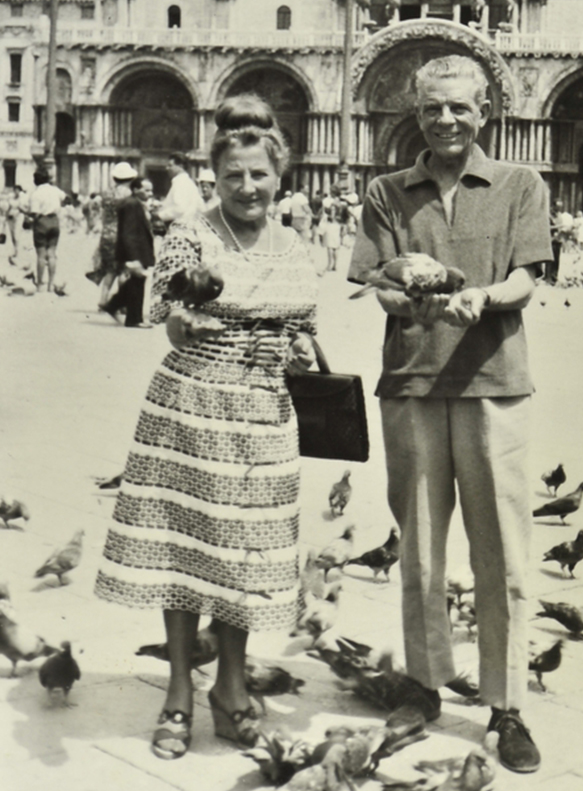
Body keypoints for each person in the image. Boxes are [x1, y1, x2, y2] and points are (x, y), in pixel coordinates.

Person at [95, 93, 319, 761]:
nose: (247, 187)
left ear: (281, 177)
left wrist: (301, 348)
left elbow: (304, 327)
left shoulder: (297, 245)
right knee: (185, 553)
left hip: (266, 418)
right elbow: (166, 310)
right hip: (192, 407)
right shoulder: (193, 234)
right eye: (233, 177)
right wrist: (183, 322)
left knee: (243, 559)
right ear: (214, 179)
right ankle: (176, 694)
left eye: (259, 175)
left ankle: (228, 686)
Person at [348, 55, 552, 774]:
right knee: (421, 546)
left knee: (502, 549)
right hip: (411, 381)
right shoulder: (386, 191)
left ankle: (506, 703)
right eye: (432, 108)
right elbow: (378, 279)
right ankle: (426, 681)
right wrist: (404, 291)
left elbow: (528, 276)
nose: (445, 120)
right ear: (416, 112)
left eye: (460, 107)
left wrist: (485, 297)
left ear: (485, 110)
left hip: (495, 381)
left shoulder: (520, 184)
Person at [100, 177, 155, 328]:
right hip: (135, 251)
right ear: (136, 189)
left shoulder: (133, 203)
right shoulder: (132, 204)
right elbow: (128, 232)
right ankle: (134, 319)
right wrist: (133, 257)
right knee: (137, 284)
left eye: (151, 190)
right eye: (146, 190)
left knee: (135, 282)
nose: (150, 193)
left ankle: (113, 305)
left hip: (136, 250)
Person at [86, 161, 137, 307]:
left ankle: (103, 299)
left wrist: (96, 222)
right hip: (124, 234)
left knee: (111, 269)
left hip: (107, 234)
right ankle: (122, 303)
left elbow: (93, 206)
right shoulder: (130, 194)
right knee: (124, 270)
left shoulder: (106, 193)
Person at [27, 168, 67, 293]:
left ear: (35, 181)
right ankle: (51, 284)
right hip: (54, 221)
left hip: (42, 222)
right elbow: (65, 198)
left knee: (41, 254)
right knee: (52, 253)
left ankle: (40, 285)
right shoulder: (55, 190)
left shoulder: (35, 194)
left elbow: (35, 213)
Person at [157, 151, 204, 225]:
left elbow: (179, 209)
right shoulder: (186, 182)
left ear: (180, 166)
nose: (167, 168)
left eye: (170, 165)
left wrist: (159, 215)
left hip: (181, 227)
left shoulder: (181, 183)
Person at [548, 199, 571, 284]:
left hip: (558, 239)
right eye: (557, 207)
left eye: (560, 208)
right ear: (553, 206)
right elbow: (547, 227)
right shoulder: (548, 215)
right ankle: (548, 278)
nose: (559, 209)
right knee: (550, 259)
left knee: (557, 259)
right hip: (550, 239)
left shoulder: (560, 215)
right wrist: (559, 226)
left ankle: (554, 277)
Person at [6, 184, 26, 265]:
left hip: (18, 217)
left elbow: (23, 209)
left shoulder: (22, 198)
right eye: (15, 190)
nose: (16, 192)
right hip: (11, 218)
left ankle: (18, 251)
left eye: (18, 190)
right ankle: (15, 249)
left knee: (17, 234)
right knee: (12, 235)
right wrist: (7, 216)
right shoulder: (11, 198)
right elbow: (9, 207)